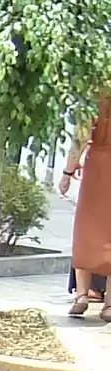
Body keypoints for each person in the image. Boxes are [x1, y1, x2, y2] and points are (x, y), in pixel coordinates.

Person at [59, 96, 111, 321]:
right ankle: (109, 306)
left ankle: (81, 295)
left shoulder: (95, 95)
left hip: (96, 166)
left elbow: (80, 137)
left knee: (86, 230)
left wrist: (68, 172)